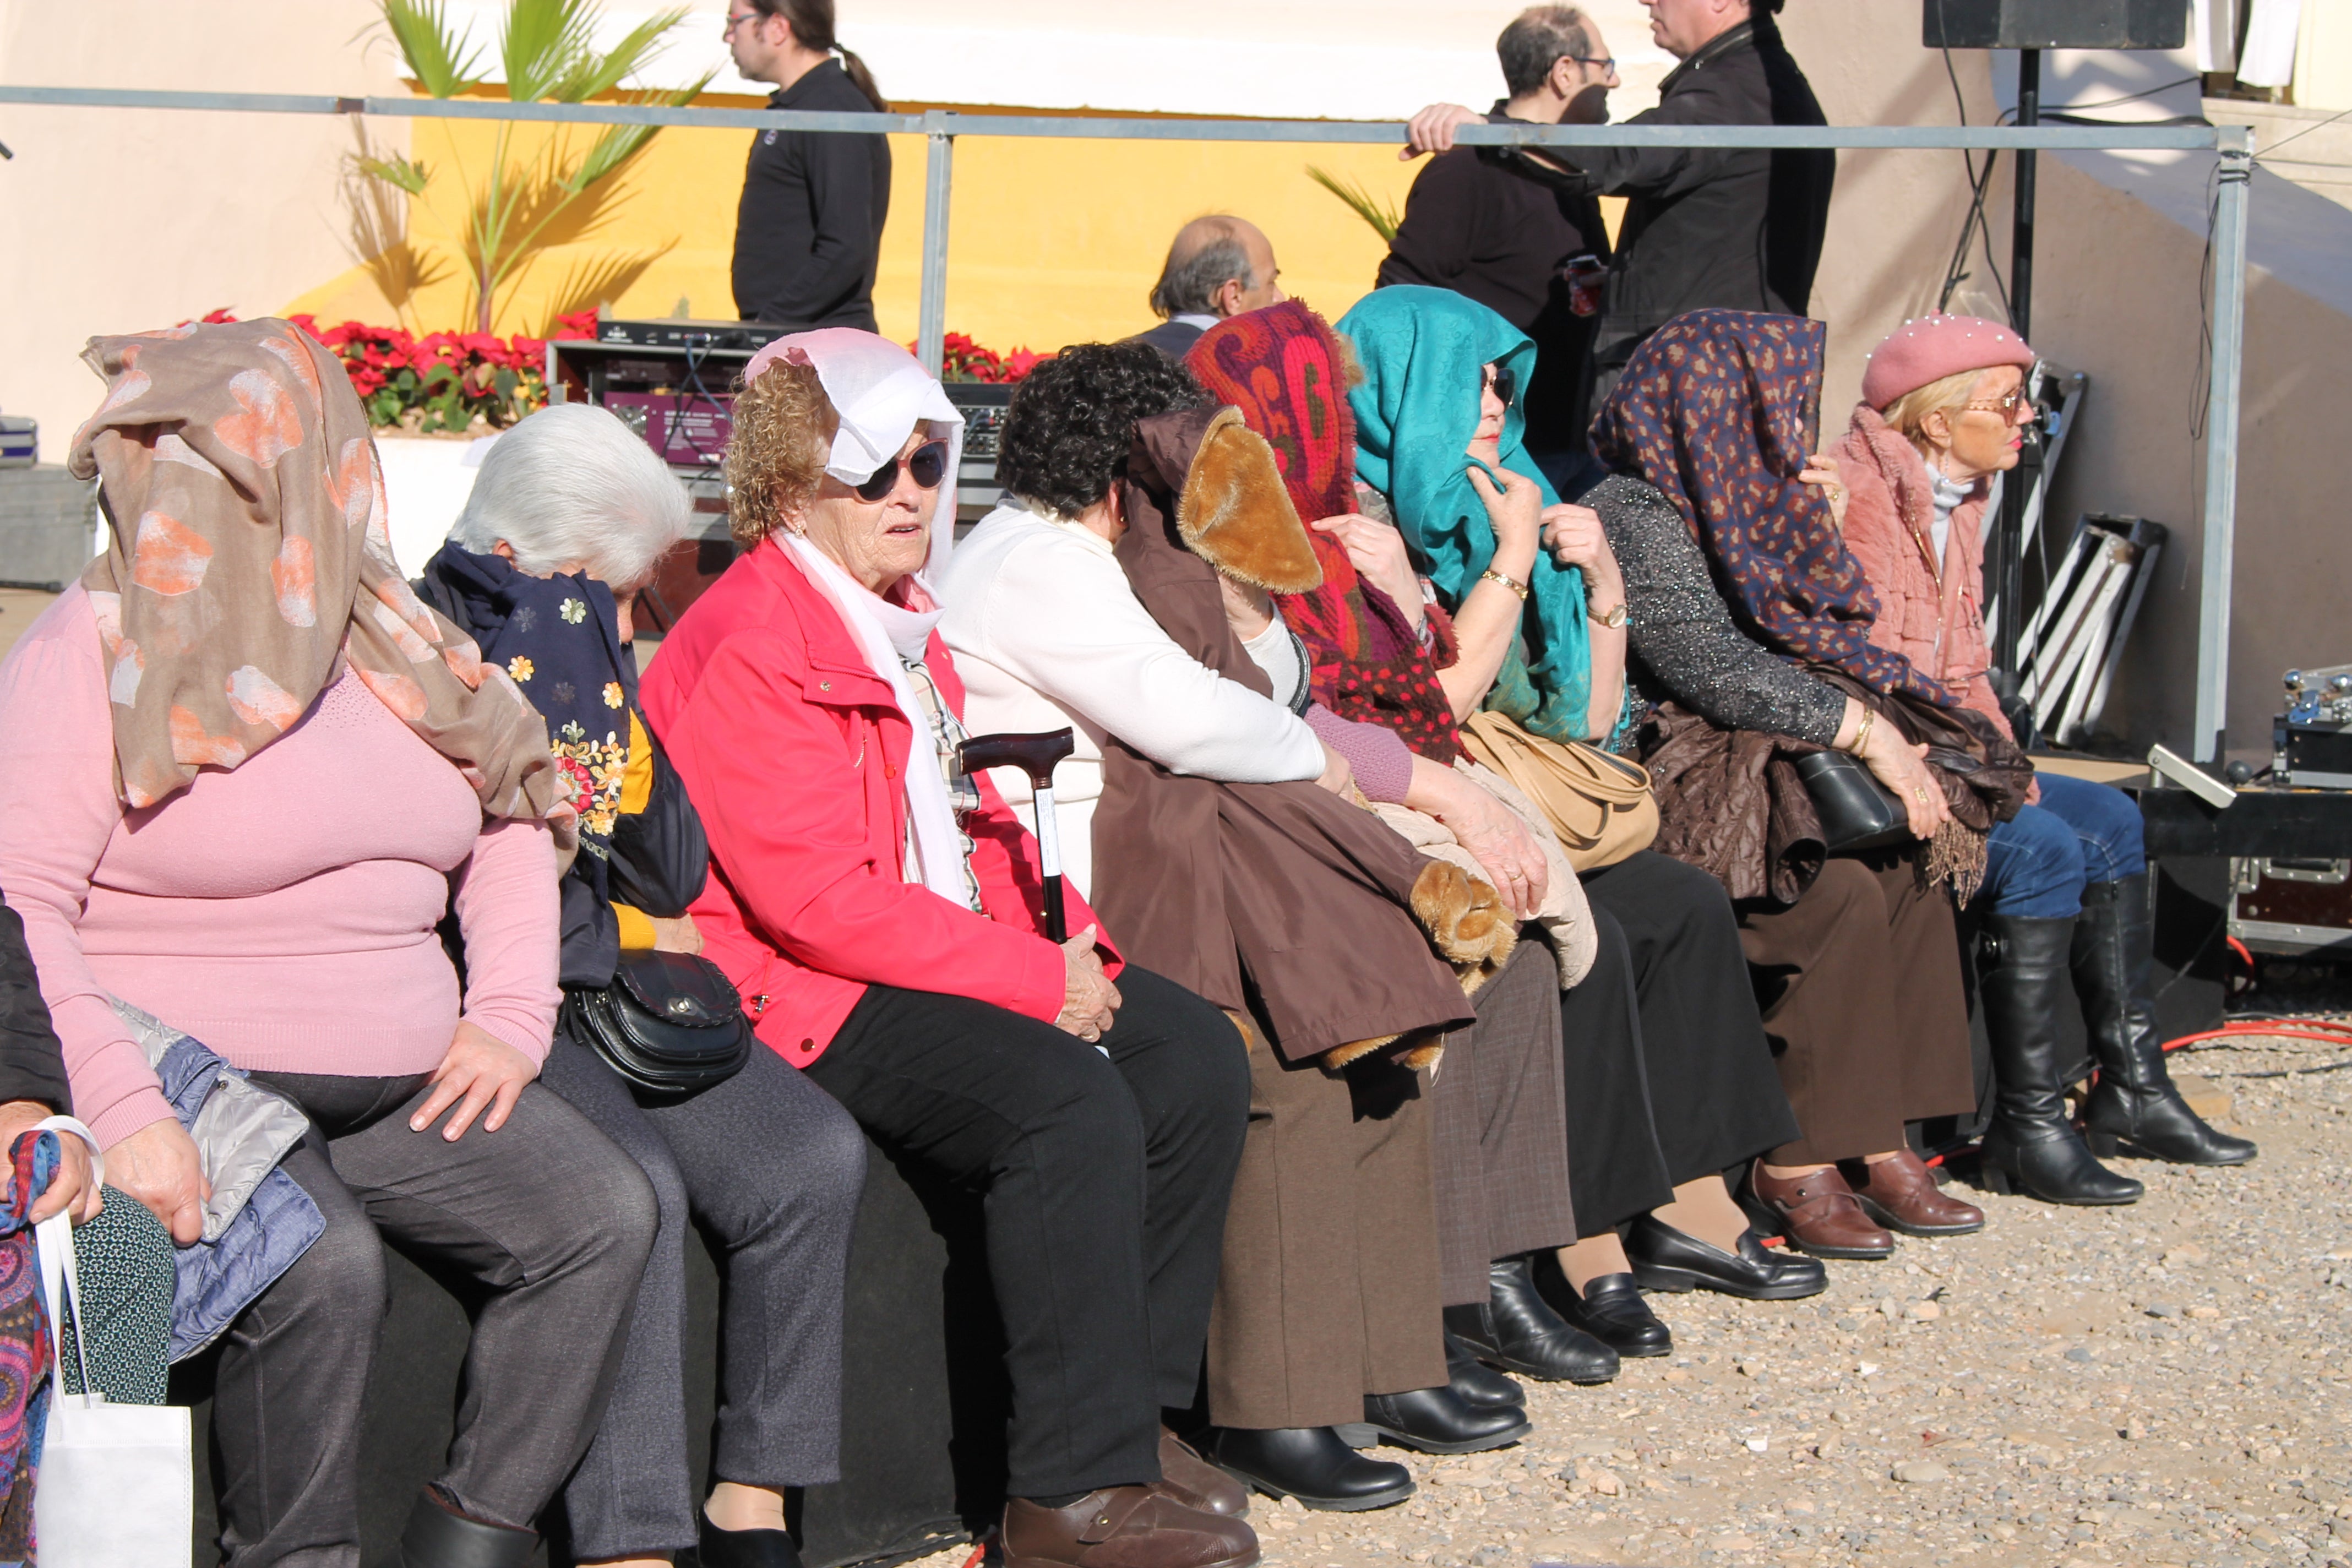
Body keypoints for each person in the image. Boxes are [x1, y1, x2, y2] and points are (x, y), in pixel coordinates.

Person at [0, 318, 658, 1567]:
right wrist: (122, 1100)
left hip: (390, 1076)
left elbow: (516, 804)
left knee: (602, 1209)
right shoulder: (89, 646)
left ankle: (472, 1532)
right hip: (180, 1076)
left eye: (205, 460)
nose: (157, 486)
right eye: (143, 456)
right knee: (324, 1264)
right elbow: (19, 902)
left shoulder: (394, 639)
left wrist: (511, 1005)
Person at [639, 329, 1257, 1568]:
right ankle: (1062, 1500)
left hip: (911, 944)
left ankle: (1132, 1425)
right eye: (878, 470)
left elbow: (962, 827)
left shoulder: (898, 618)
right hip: (792, 987)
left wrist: (1069, 942)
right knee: (1062, 1101)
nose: (913, 492)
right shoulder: (756, 634)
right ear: (788, 480)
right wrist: (1040, 982)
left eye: (929, 460)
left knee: (1190, 1055)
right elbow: (813, 901)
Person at [943, 339, 1585, 1513]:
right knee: (1287, 1066)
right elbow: (1199, 719)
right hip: (1094, 889)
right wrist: (1362, 773)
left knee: (1389, 1032)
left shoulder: (1128, 554)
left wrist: (1242, 577)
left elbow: (1275, 687)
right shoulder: (1037, 561)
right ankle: (1273, 1399)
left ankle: (1371, 1362)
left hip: (1200, 857)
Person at [417, 404, 869, 1568]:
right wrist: (538, 655)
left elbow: (671, 858)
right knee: (642, 1186)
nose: (625, 619)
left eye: (631, 597)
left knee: (806, 1154)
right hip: (489, 999)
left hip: (610, 988)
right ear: (519, 556)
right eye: (606, 590)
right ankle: (633, 1541)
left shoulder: (586, 644)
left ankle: (753, 1500)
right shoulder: (422, 643)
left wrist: (596, 683)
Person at [1330, 287, 1828, 1322]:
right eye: (1461, 375)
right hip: (1428, 796)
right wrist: (1510, 562)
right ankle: (1579, 1229)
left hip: (1527, 783)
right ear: (1393, 382)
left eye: (1498, 377)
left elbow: (1590, 721)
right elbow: (1431, 712)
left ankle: (1693, 1203)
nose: (1487, 397)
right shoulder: (1360, 519)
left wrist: (1599, 585)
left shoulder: (1508, 487)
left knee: (1683, 905)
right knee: (1586, 932)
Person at [1584, 308, 2026, 1261]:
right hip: (1687, 768)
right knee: (1833, 893)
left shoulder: (1751, 490)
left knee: (1914, 862)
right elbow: (1707, 663)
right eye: (1767, 399)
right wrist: (1867, 732)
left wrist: (1814, 530)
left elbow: (1831, 623)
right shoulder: (1638, 506)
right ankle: (1793, 1156)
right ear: (1715, 402)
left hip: (1772, 750)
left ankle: (1882, 1133)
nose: (1784, 419)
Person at [1827, 313, 2255, 1202]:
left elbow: (1965, 671)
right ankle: (2025, 1123)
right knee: (2047, 843)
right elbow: (1855, 676)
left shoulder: (1961, 502)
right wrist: (1985, 783)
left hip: (1950, 752)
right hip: (1873, 767)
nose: (2029, 419)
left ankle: (2130, 1084)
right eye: (2009, 401)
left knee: (2107, 814)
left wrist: (2005, 768)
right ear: (1937, 419)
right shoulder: (1859, 505)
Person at [1402, 0, 1834, 404]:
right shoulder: (1756, 83)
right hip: (1716, 377)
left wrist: (1494, 134)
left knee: (1650, 492)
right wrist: (1630, 283)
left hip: (1702, 391)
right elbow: (1725, 244)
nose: (1648, 0)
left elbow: (1621, 157)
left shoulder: (1734, 89)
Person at [1377, 6, 1620, 485]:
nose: (1613, 83)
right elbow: (1397, 303)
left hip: (1566, 448)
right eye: (1606, 67)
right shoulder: (1468, 169)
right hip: (1493, 460)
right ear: (1565, 73)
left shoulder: (1568, 174)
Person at [728, 0, 892, 331]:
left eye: (735, 22)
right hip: (789, 339)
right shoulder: (799, 107)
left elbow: (846, 247)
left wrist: (770, 322)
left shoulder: (833, 109)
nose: (729, 36)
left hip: (817, 347)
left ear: (777, 27)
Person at [1131, 215, 1285, 360]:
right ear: (1234, 296)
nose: (1279, 298)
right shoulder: (1241, 372)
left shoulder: (1119, 359)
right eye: (1271, 283)